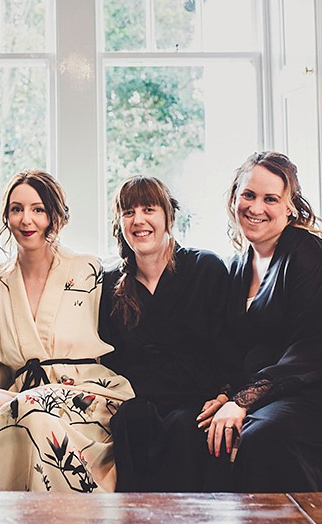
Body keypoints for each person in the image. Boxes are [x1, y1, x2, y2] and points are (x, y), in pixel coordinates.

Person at [202, 151, 322, 522]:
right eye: (248, 195)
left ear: (290, 208)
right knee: (217, 431)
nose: (256, 207)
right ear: (233, 198)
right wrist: (228, 394)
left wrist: (243, 401)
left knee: (264, 437)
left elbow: (319, 346)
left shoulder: (308, 254)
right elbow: (240, 349)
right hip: (293, 387)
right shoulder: (240, 266)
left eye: (270, 199)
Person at [0, 170, 134, 492]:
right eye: (17, 209)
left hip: (87, 393)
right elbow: (1, 359)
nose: (26, 219)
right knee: (0, 411)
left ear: (54, 215)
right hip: (23, 393)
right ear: (7, 217)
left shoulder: (87, 269)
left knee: (22, 411)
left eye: (38, 209)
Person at [99, 176, 231, 492]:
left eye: (149, 209)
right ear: (119, 223)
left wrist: (227, 394)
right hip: (139, 401)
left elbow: (231, 344)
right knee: (132, 418)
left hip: (198, 402)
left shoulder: (205, 268)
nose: (139, 220)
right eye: (128, 212)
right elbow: (106, 358)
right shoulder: (109, 285)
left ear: (168, 216)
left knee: (185, 427)